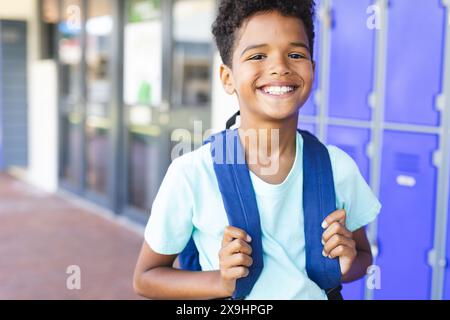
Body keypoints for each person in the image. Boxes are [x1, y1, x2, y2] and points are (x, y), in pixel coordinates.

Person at [133, 0, 382, 300]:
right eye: (258, 55)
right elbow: (146, 278)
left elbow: (364, 257)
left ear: (312, 70)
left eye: (295, 54)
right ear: (228, 78)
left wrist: (346, 262)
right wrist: (221, 282)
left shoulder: (336, 167)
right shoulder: (192, 174)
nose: (279, 67)